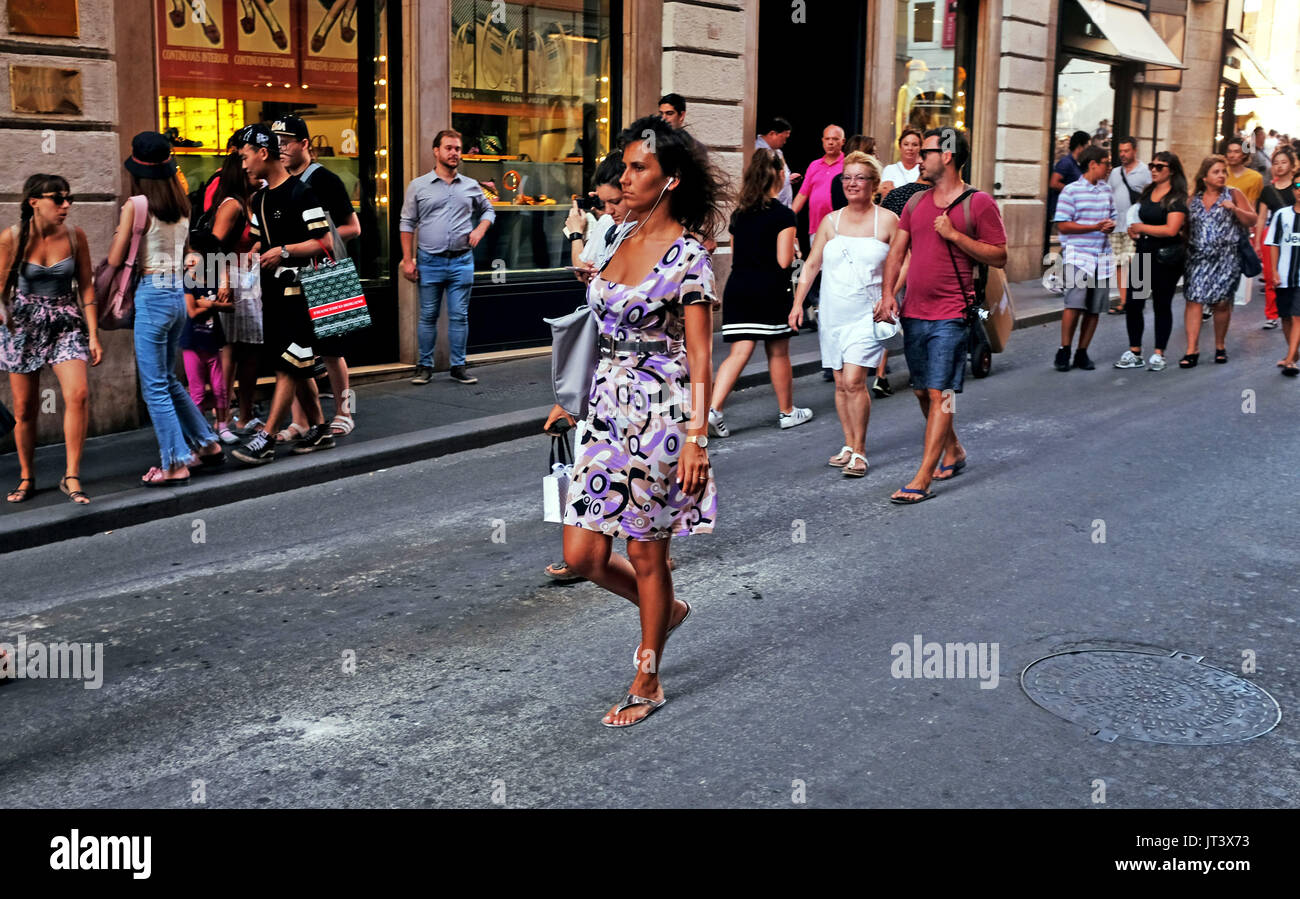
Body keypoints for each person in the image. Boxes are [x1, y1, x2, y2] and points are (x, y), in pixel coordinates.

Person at [543, 115, 722, 728]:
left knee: (647, 553)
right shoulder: (617, 237)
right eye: (625, 166)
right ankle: (664, 609)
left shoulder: (689, 258)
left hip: (660, 413)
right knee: (583, 554)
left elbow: (701, 356)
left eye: (638, 167)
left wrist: (698, 436)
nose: (625, 177)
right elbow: (596, 326)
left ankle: (648, 673)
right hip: (604, 405)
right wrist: (571, 396)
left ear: (669, 180)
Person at [877, 128, 1007, 504]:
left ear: (947, 156)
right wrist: (888, 294)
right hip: (915, 312)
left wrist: (955, 236)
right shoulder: (915, 203)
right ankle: (955, 451)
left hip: (952, 313)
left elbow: (999, 255)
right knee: (921, 389)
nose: (919, 157)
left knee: (942, 393)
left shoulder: (977, 203)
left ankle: (921, 478)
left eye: (927, 151)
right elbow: (896, 253)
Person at [106, 132, 224, 484]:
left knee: (154, 385)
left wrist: (118, 238)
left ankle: (174, 463)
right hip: (176, 293)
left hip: (153, 293)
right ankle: (206, 444)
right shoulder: (182, 203)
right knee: (169, 379)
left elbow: (115, 258)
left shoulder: (136, 205)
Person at [229, 123, 336, 463]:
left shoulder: (301, 193)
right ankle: (319, 428)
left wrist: (284, 251)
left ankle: (267, 436)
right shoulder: (259, 198)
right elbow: (263, 239)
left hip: (302, 292)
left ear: (263, 153)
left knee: (288, 363)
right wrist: (253, 253)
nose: (243, 164)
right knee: (295, 358)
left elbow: (325, 242)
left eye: (245, 156)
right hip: (272, 291)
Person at [789, 151, 897, 478]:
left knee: (854, 380)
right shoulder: (831, 221)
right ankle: (848, 444)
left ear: (874, 184)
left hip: (868, 313)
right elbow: (811, 264)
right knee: (839, 383)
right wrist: (797, 304)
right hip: (833, 313)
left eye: (859, 177)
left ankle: (861, 450)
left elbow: (904, 260)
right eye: (847, 177)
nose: (851, 183)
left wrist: (890, 296)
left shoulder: (887, 221)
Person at [0, 174, 101, 504]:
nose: (66, 205)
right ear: (34, 202)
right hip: (23, 324)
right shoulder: (12, 238)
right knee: (24, 408)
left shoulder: (75, 236)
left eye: (68, 198)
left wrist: (94, 335)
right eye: (58, 199)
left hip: (65, 321)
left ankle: (71, 475)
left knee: (79, 394)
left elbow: (86, 287)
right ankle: (27, 476)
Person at [708, 149, 812, 438]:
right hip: (769, 290)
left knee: (739, 351)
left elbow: (736, 252)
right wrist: (795, 252)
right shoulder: (783, 215)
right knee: (778, 351)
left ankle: (714, 409)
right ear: (780, 175)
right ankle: (788, 411)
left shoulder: (740, 214)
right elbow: (783, 262)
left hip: (739, 286)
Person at [275, 116, 364, 438]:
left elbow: (353, 227)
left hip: (329, 268)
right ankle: (300, 419)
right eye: (277, 142)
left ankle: (344, 411)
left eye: (287, 142)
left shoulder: (325, 180)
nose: (281, 148)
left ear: (305, 144)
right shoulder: (279, 182)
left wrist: (312, 242)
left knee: (332, 348)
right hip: (295, 271)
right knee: (297, 348)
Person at [399, 129, 494, 386]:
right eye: (449, 148)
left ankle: (458, 366)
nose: (454, 153)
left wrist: (480, 229)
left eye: (458, 149)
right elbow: (406, 223)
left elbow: (489, 209)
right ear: (436, 151)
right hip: (429, 260)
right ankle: (424, 366)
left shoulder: (471, 186)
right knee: (428, 315)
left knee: (459, 315)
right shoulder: (418, 186)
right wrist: (408, 260)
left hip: (462, 260)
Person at [195, 147, 259, 443]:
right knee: (233, 350)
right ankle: (227, 416)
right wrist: (222, 280)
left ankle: (239, 413)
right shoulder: (232, 205)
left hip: (246, 280)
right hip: (233, 281)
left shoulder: (248, 202)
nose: (253, 173)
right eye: (246, 168)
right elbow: (213, 245)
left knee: (245, 350)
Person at [1115, 151, 1188, 372]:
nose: (1154, 170)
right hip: (1143, 252)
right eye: (1152, 165)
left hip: (1166, 258)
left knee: (1161, 304)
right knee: (1134, 303)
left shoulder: (1177, 198)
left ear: (1171, 171)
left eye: (1160, 166)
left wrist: (1142, 228)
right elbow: (1137, 218)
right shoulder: (1148, 192)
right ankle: (1135, 350)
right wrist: (1132, 230)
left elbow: (1171, 229)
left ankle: (1159, 353)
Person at [1181, 154, 1256, 367]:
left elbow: (1252, 219)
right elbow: (1185, 227)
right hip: (1197, 258)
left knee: (1221, 303)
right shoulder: (1193, 199)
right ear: (1204, 177)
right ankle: (1191, 349)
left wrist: (1235, 209)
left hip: (1226, 258)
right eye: (1216, 172)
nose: (1222, 175)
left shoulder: (1233, 194)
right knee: (1194, 300)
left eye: (1224, 171)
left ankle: (1220, 345)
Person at [1052, 146, 1116, 372]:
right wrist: (1093, 227)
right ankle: (1064, 349)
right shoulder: (1071, 191)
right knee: (1074, 304)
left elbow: (1113, 217)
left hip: (1102, 256)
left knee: (1094, 308)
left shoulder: (1107, 191)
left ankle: (1082, 352)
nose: (1109, 168)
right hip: (1078, 256)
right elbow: (1063, 224)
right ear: (1093, 164)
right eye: (1106, 163)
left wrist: (1109, 226)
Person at [1106, 136, 1151, 315]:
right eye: (1121, 151)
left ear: (1135, 150)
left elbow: (1152, 196)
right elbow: (1109, 194)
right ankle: (1124, 301)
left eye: (1126, 151)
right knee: (1119, 264)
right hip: (1117, 225)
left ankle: (1138, 298)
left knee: (1136, 262)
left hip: (1136, 225)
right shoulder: (1115, 172)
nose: (1123, 154)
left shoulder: (1145, 171)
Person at [1257, 146, 1297, 330]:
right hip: (1272, 235)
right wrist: (1257, 241)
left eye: (1283, 162)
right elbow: (1262, 217)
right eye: (1276, 163)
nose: (1279, 167)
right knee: (1271, 275)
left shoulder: (1297, 188)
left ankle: (1292, 310)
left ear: (1291, 165)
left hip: (1295, 235)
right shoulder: (1268, 190)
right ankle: (1272, 313)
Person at [1263, 185, 1300, 375]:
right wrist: (1275, 271)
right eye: (1298, 186)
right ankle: (1293, 354)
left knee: (1297, 316)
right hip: (1285, 275)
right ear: (1293, 190)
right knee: (1286, 316)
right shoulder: (1282, 215)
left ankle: (1290, 361)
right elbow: (1273, 244)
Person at [791, 125, 846, 240]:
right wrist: (789, 216)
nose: (830, 142)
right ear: (822, 141)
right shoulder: (814, 165)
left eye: (835, 139)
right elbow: (802, 194)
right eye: (827, 139)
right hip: (816, 228)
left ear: (843, 141)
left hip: (840, 227)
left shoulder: (848, 165)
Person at [755, 115, 799, 207]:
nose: (785, 142)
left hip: (781, 207)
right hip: (767, 208)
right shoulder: (756, 151)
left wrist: (788, 178)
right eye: (784, 138)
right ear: (772, 134)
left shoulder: (778, 152)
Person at [1048, 130, 1091, 220]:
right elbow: (1053, 183)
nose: (1089, 151)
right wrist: (1075, 191)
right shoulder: (1066, 162)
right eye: (1087, 147)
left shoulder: (1080, 164)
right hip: (1062, 213)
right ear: (1080, 146)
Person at [879, 128, 922, 198]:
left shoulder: (923, 170)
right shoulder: (890, 169)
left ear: (920, 148)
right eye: (906, 144)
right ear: (900, 146)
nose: (910, 148)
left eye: (914, 145)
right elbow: (887, 195)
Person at [1223, 137, 1263, 210]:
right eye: (1229, 151)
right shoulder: (1221, 173)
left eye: (1236, 152)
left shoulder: (1255, 177)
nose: (1231, 155)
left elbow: (1252, 207)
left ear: (1244, 155)